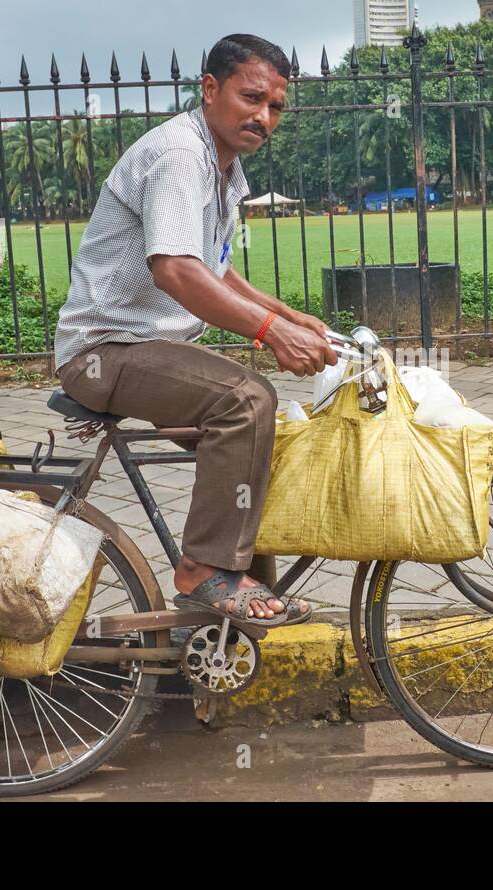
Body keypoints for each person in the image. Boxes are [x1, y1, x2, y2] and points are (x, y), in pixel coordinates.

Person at [53, 34, 336, 627]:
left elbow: (214, 265)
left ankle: (237, 620)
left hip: (147, 347)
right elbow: (177, 271)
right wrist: (272, 334)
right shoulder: (181, 152)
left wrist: (285, 314)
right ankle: (205, 572)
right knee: (246, 400)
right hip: (105, 350)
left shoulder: (223, 169)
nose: (263, 116)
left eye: (276, 107)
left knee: (260, 451)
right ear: (210, 89)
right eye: (251, 97)